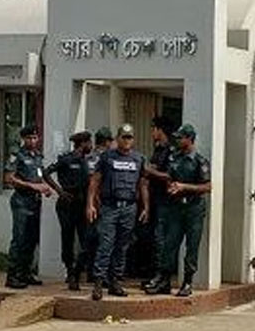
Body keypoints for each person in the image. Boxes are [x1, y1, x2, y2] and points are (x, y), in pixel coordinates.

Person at [146, 123, 211, 297]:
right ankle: (164, 280)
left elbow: (207, 186)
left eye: (181, 138)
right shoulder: (175, 157)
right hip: (175, 207)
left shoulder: (199, 161)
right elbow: (170, 176)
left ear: (190, 139)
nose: (177, 140)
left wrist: (184, 187)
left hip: (193, 209)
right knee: (169, 245)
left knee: (191, 246)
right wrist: (170, 185)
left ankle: (188, 282)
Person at [87, 123, 149, 300]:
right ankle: (99, 283)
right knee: (105, 245)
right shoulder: (107, 157)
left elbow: (143, 184)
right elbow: (95, 181)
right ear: (117, 138)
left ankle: (116, 282)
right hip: (110, 207)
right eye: (124, 137)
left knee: (122, 246)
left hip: (129, 207)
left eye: (130, 137)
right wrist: (90, 205)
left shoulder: (139, 159)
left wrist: (146, 207)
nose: (127, 140)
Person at [44, 130, 94, 291]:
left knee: (87, 241)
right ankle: (71, 273)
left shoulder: (87, 161)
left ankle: (78, 271)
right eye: (89, 143)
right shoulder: (66, 159)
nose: (91, 146)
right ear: (83, 143)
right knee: (68, 238)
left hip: (82, 204)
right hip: (67, 203)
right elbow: (46, 173)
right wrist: (59, 191)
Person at [3, 125, 52, 289]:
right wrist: (33, 186)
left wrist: (46, 187)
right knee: (20, 239)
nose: (33, 141)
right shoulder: (17, 155)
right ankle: (12, 276)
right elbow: (9, 178)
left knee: (31, 240)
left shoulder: (38, 156)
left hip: (35, 202)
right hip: (22, 201)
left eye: (35, 138)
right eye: (29, 138)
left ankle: (26, 272)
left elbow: (40, 175)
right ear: (23, 139)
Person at [141, 116, 175, 290]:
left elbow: (170, 176)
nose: (152, 132)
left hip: (165, 201)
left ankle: (163, 278)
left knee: (161, 240)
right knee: (154, 240)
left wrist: (149, 171)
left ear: (160, 130)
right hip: (155, 200)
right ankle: (155, 275)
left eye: (154, 129)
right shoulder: (158, 149)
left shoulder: (170, 151)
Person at [82, 127, 114, 284]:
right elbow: (93, 181)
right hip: (99, 203)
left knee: (93, 239)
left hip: (94, 203)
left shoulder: (90, 157)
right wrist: (96, 201)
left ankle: (91, 272)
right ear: (107, 142)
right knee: (102, 239)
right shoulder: (102, 158)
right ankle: (98, 274)